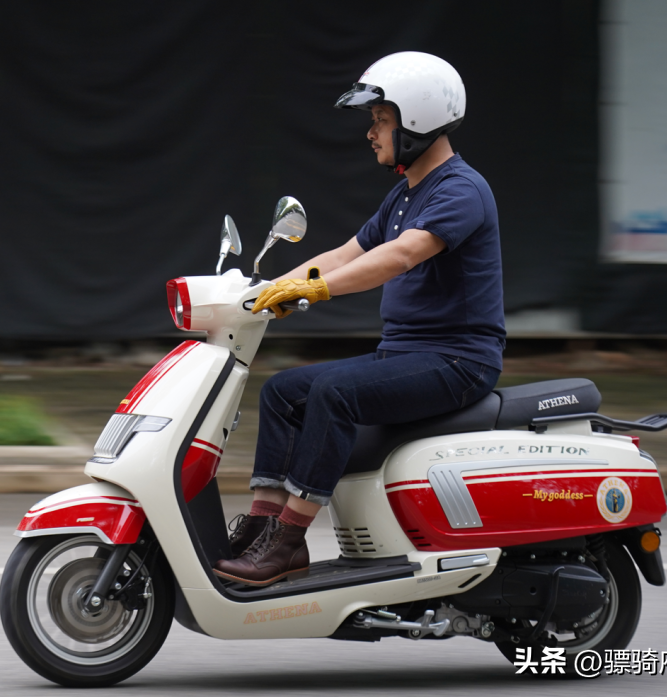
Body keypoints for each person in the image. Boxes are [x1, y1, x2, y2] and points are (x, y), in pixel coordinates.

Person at [213, 51, 505, 586]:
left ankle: (290, 540)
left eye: (380, 119)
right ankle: (260, 527)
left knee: (333, 393)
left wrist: (316, 290)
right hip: (406, 355)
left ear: (415, 119)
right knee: (282, 391)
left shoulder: (461, 190)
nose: (371, 132)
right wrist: (266, 291)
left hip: (456, 361)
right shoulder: (406, 192)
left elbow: (398, 257)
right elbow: (347, 252)